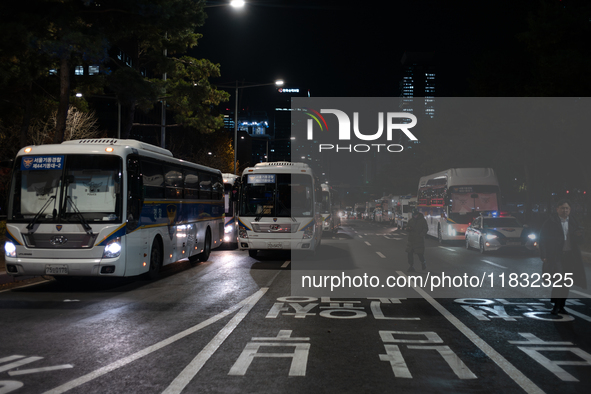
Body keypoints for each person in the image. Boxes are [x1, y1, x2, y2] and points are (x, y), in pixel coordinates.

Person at [539, 199, 587, 315]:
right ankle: (556, 305)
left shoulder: (574, 222)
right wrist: (544, 255)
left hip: (570, 256)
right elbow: (543, 239)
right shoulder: (551, 222)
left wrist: (580, 236)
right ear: (557, 209)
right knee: (558, 281)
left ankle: (562, 306)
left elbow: (580, 241)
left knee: (567, 282)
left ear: (570, 210)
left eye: (567, 208)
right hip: (556, 256)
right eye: (562, 208)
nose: (565, 210)